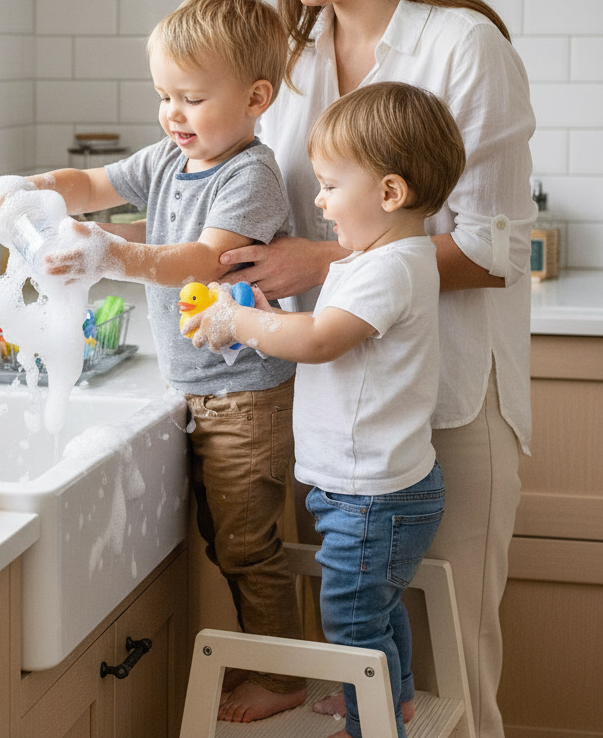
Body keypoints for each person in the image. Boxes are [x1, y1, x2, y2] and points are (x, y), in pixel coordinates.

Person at [220, 0, 536, 738]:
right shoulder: (293, 57)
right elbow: (249, 201)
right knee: (366, 686)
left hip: (448, 413)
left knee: (451, 677)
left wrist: (323, 256)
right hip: (332, 430)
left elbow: (491, 250)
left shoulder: (462, 46)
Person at [0, 0, 308, 723]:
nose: (173, 114)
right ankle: (273, 662)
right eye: (165, 95)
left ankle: (285, 677)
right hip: (197, 386)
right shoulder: (172, 156)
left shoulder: (248, 177)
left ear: (256, 97)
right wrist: (31, 190)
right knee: (225, 539)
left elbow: (199, 259)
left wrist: (113, 254)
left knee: (247, 545)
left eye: (191, 98)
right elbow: (93, 184)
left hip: (246, 394)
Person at [186, 81, 467, 738]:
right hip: (364, 489)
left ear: (390, 193)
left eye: (331, 185)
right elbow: (325, 331)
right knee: (376, 609)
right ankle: (386, 701)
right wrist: (264, 311)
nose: (318, 200)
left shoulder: (390, 267)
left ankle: (374, 726)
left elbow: (318, 341)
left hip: (374, 497)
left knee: (351, 620)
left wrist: (236, 321)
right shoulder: (374, 256)